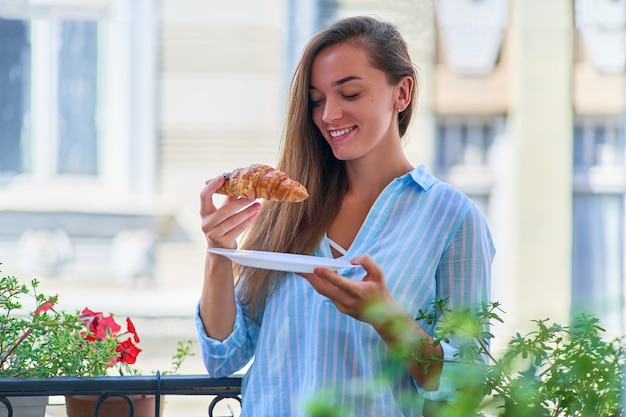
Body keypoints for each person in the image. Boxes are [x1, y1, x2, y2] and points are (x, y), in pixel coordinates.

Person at [197, 15, 495, 417]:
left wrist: (386, 317)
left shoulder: (451, 216)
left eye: (350, 93)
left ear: (401, 93)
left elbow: (467, 386)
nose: (328, 115)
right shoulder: (288, 209)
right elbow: (223, 357)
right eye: (317, 100)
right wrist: (219, 252)